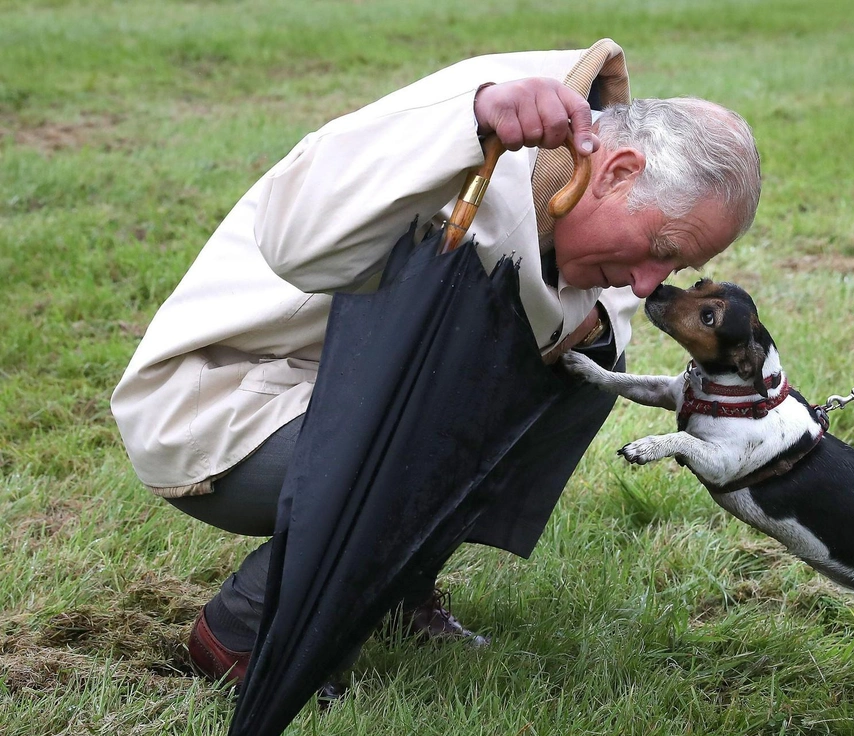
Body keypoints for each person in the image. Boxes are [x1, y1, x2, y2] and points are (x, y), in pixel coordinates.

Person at [110, 39, 761, 694]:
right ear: (617, 172)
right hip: (225, 401)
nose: (650, 284)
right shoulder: (489, 115)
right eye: (659, 250)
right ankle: (242, 626)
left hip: (350, 396)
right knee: (457, 421)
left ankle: (392, 587)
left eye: (672, 268)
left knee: (585, 377)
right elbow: (294, 241)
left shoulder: (589, 185)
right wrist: (470, 122)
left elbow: (572, 328)